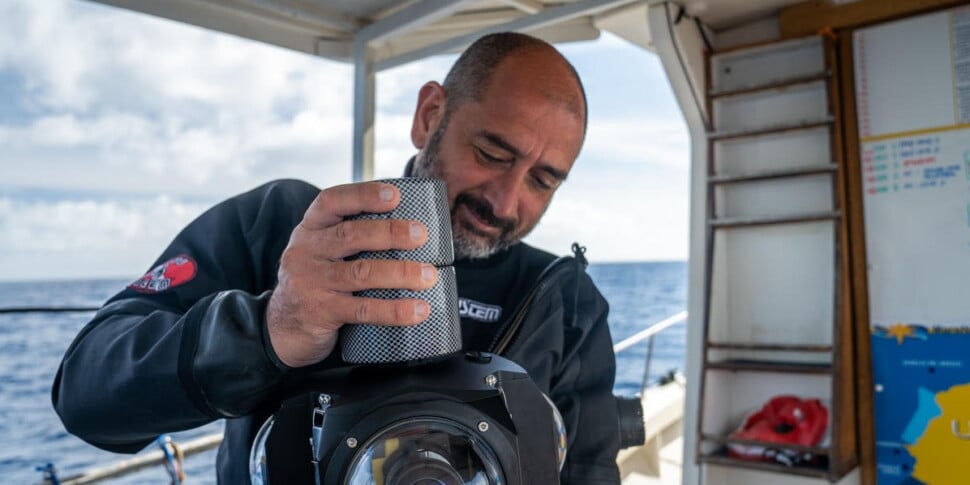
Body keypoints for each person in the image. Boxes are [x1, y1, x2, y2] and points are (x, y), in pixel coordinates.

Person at [53, 32, 620, 484]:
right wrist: (270, 329)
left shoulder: (565, 301)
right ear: (430, 115)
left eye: (543, 181)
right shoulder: (284, 228)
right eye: (491, 152)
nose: (505, 201)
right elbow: (86, 393)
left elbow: (591, 471)